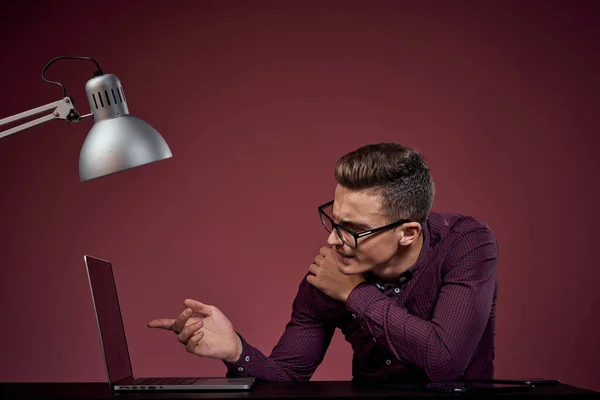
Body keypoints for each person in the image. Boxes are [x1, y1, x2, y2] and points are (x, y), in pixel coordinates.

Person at [148, 142, 498, 383]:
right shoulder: (329, 273)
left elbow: (444, 361)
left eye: (354, 229)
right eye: (335, 220)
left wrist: (354, 293)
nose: (333, 240)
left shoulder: (466, 243)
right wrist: (236, 351)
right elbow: (287, 380)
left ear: (407, 232)